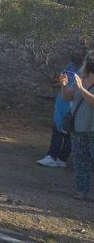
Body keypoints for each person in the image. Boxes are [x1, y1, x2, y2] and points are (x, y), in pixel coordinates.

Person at [60, 52, 94, 200]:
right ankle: (82, 190)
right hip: (78, 127)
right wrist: (64, 85)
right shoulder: (82, 78)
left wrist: (82, 89)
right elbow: (67, 96)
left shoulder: (82, 83)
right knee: (80, 161)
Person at [38, 54, 83, 167]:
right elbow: (63, 80)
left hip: (72, 105)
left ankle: (57, 157)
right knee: (58, 130)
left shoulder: (84, 71)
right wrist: (57, 81)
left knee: (67, 132)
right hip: (61, 102)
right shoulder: (70, 66)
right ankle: (55, 157)